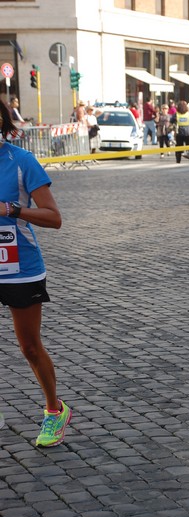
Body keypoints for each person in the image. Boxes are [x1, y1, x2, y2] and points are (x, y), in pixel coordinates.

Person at [0, 99, 71, 446]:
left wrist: (11, 209)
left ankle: (54, 411)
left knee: (29, 346)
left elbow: (54, 218)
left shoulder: (21, 161)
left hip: (19, 268)